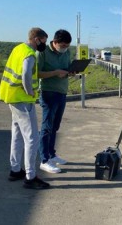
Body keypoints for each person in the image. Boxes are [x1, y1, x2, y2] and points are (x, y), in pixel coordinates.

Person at [0, 27, 50, 189]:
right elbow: (26, 75)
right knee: (32, 137)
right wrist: (30, 92)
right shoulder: (29, 54)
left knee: (17, 134)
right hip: (22, 99)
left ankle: (15, 170)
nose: (44, 44)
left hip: (12, 97)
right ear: (36, 39)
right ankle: (30, 176)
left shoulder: (18, 48)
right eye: (44, 41)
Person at [37, 29, 73, 174]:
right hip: (48, 92)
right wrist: (56, 72)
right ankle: (44, 160)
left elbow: (66, 68)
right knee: (47, 126)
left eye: (67, 46)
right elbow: (37, 73)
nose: (65, 48)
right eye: (63, 45)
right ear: (55, 42)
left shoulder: (67, 52)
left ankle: (52, 154)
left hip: (62, 92)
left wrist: (70, 72)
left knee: (55, 126)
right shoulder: (43, 52)